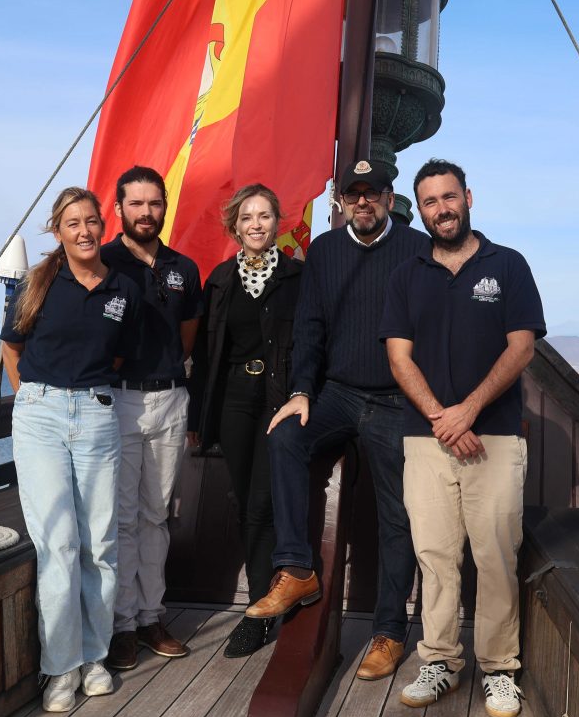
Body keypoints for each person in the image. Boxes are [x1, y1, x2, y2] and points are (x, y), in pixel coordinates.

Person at [246, 159, 427, 682]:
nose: (363, 202)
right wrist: (301, 391)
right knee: (284, 437)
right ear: (342, 202)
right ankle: (297, 569)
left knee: (398, 513)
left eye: (373, 194)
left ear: (390, 200)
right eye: (354, 195)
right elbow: (310, 326)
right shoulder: (324, 250)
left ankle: (390, 631)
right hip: (340, 394)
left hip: (397, 399)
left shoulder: (417, 250)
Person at [380, 159, 546, 717]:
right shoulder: (406, 274)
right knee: (435, 556)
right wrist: (440, 417)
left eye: (449, 197)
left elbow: (521, 347)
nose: (441, 209)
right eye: (429, 201)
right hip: (426, 440)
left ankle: (499, 669)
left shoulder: (509, 265)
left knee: (497, 554)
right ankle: (441, 661)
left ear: (468, 197)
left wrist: (468, 412)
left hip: (493, 438)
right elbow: (398, 358)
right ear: (420, 209)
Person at [0, 187, 141, 713]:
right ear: (57, 231)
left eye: (91, 221)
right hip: (40, 416)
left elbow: (121, 356)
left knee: (99, 542)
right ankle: (59, 667)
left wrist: (83, 399)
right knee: (57, 542)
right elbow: (12, 348)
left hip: (99, 414)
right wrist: (36, 402)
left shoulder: (122, 290)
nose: (84, 231)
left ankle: (94, 657)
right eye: (72, 223)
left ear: (102, 226)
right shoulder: (38, 283)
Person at [188, 184, 302, 657]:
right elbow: (204, 353)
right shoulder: (219, 280)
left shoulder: (298, 276)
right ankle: (266, 599)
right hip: (234, 397)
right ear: (235, 226)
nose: (256, 224)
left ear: (278, 223)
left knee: (262, 502)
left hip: (279, 398)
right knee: (247, 499)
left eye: (265, 216)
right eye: (247, 217)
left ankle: (260, 610)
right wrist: (199, 416)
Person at [100, 166, 203, 670]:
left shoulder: (184, 266)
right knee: (120, 519)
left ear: (165, 205)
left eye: (154, 203)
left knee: (155, 516)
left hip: (169, 399)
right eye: (136, 203)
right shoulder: (102, 262)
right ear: (118, 208)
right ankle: (121, 626)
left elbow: (187, 335)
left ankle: (150, 616)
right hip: (118, 401)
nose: (146, 212)